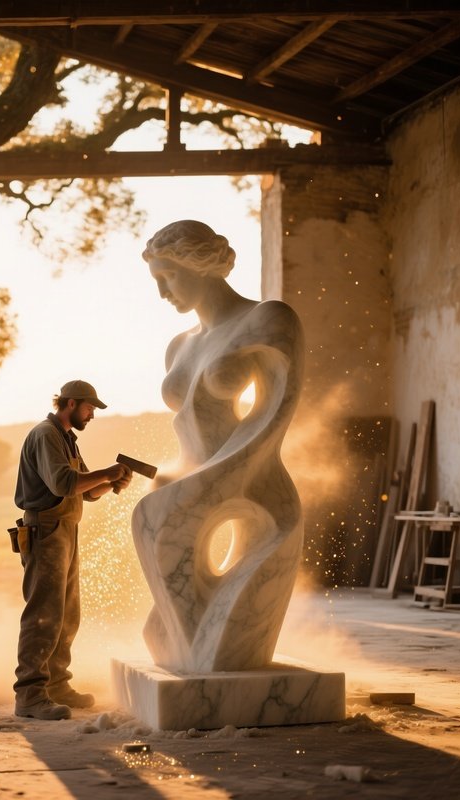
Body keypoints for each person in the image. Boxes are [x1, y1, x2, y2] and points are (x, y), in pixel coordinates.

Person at [132, 220, 304, 673]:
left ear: (201, 264)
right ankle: (194, 665)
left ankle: (205, 669)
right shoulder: (180, 346)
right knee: (154, 527)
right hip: (193, 483)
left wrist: (210, 481)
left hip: (255, 484)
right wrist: (178, 481)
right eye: (156, 282)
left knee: (160, 522)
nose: (162, 293)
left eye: (168, 277)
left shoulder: (267, 320)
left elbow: (273, 414)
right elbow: (185, 424)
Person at [13, 379, 132, 720]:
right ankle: (30, 694)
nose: (92, 415)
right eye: (89, 408)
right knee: (43, 613)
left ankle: (56, 685)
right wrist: (107, 472)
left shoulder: (65, 438)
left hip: (65, 530)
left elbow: (85, 491)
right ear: (70, 404)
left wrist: (110, 483)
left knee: (66, 613)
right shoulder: (46, 435)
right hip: (46, 530)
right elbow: (64, 484)